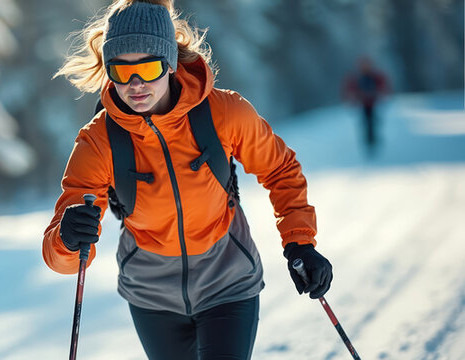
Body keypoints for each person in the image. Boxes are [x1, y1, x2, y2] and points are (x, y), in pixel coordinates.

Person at [41, 1, 333, 359]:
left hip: (228, 280)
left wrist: (300, 242)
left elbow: (280, 169)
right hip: (152, 296)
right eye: (121, 70)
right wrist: (68, 238)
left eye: (147, 67)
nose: (135, 84)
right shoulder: (99, 140)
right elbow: (63, 259)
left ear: (169, 63)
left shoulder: (224, 112)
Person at [344, 56, 390, 158]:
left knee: (373, 122)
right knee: (366, 122)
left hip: (373, 103)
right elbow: (352, 89)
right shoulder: (358, 77)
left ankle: (373, 140)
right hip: (364, 104)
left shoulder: (374, 76)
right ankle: (368, 141)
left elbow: (382, 85)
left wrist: (382, 95)